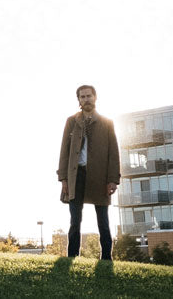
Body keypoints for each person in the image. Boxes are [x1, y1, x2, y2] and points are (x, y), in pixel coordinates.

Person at [57, 84, 120, 260]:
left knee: (103, 220)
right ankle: (72, 256)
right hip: (75, 175)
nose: (86, 99)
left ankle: (106, 257)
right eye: (82, 97)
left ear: (95, 97)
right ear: (78, 100)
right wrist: (63, 178)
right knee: (75, 220)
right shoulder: (71, 121)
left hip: (100, 176)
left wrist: (113, 179)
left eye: (89, 96)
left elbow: (114, 153)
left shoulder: (107, 123)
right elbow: (64, 151)